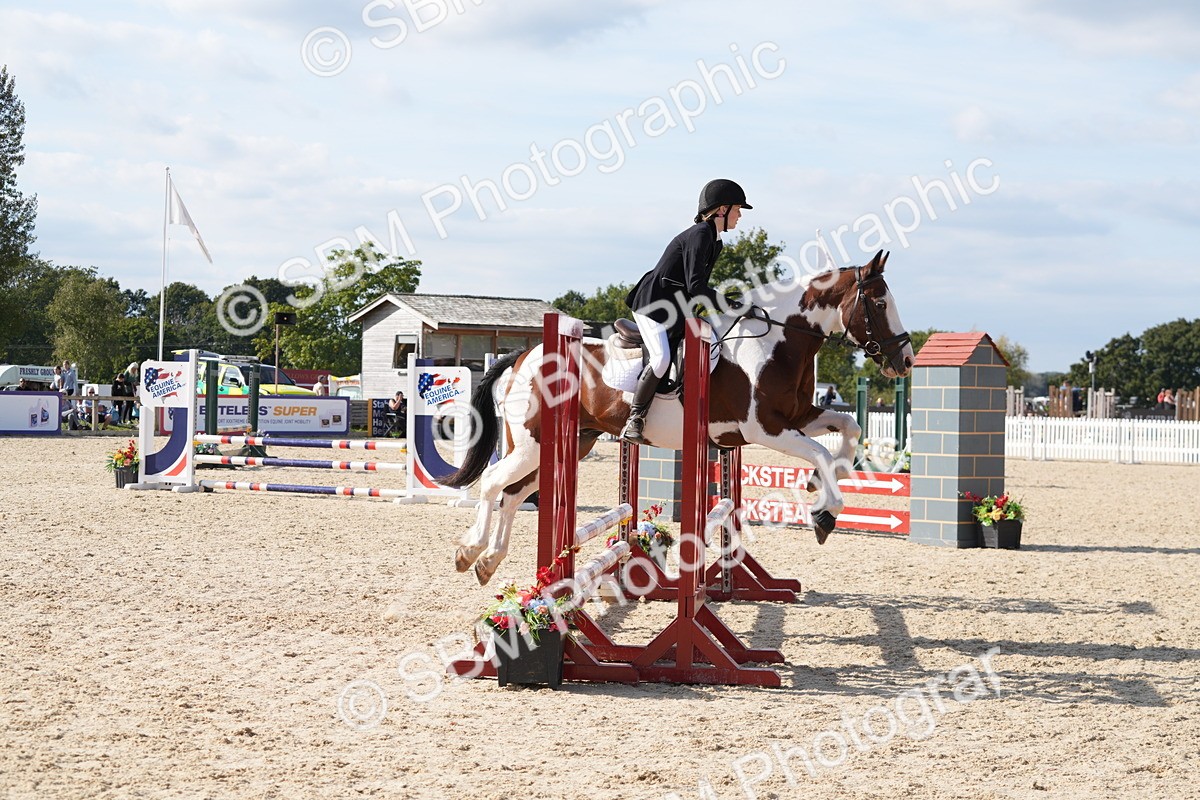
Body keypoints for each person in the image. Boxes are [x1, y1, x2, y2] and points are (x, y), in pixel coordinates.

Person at [620, 178, 752, 443]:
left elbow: (696, 291)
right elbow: (696, 286)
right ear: (722, 210)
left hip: (677, 308)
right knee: (660, 359)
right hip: (653, 306)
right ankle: (635, 419)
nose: (739, 216)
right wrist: (729, 305)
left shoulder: (715, 241)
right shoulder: (701, 235)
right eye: (737, 209)